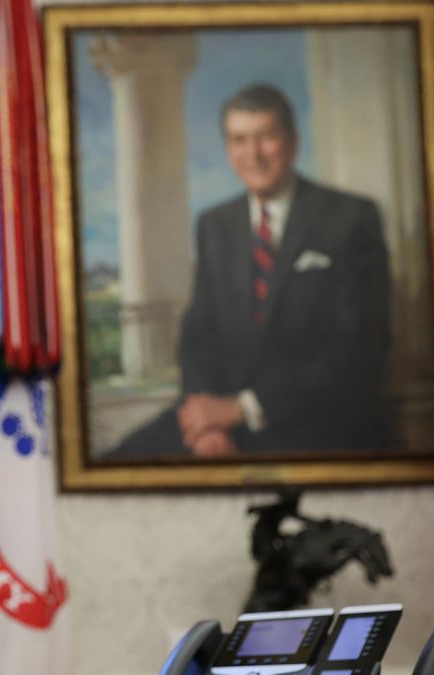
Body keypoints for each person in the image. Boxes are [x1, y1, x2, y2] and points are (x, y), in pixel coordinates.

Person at [111, 83, 391, 457]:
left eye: (265, 138)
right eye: (239, 140)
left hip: (313, 424)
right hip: (220, 422)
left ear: (292, 141)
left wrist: (244, 408)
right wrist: (204, 423)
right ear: (228, 148)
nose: (252, 155)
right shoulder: (214, 225)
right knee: (122, 460)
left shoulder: (349, 218)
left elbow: (359, 348)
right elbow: (198, 335)